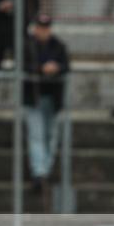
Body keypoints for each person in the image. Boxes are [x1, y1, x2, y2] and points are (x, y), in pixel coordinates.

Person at [23, 14, 69, 193]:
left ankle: (46, 171)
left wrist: (56, 68)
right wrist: (41, 69)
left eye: (46, 27)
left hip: (53, 98)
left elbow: (66, 66)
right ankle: (39, 173)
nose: (43, 31)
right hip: (33, 98)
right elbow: (23, 66)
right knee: (36, 135)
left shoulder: (59, 46)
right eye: (40, 27)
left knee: (51, 135)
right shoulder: (28, 46)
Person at [0, 0, 39, 115]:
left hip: (19, 32)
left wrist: (25, 17)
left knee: (24, 66)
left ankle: (25, 102)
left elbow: (34, 4)